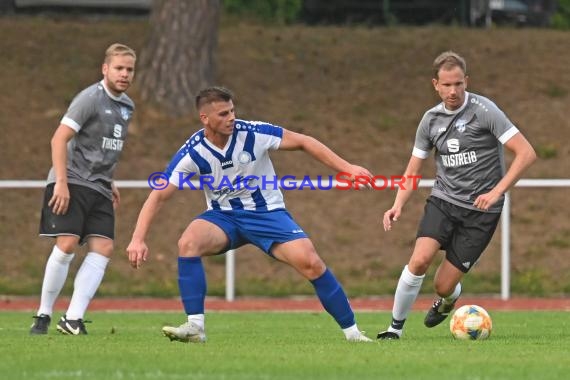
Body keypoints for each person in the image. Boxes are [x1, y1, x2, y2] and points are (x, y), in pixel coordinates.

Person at [126, 86, 373, 343]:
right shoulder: (193, 151)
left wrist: (347, 168)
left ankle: (352, 333)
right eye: (223, 114)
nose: (231, 117)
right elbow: (159, 194)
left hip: (267, 214)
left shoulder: (253, 132)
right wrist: (137, 238)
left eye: (232, 110)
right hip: (224, 218)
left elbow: (303, 141)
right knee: (188, 243)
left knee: (311, 262)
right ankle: (195, 327)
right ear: (205, 119)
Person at [376, 51, 536, 340]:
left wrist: (496, 191)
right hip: (444, 201)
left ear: (467, 82)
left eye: (459, 84)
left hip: (482, 212)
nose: (453, 91)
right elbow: (413, 169)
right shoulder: (430, 120)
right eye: (447, 85)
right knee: (420, 259)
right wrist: (397, 204)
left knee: (443, 285)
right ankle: (393, 329)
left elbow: (526, 153)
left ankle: (448, 300)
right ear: (435, 84)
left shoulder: (485, 111)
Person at [30, 43, 136, 335]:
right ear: (105, 69)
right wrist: (61, 183)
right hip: (72, 180)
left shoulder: (127, 106)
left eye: (129, 69)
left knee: (103, 248)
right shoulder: (89, 98)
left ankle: (73, 319)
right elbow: (58, 139)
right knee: (65, 246)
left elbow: (102, 147)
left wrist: (110, 179)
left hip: (99, 186)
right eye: (119, 68)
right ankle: (43, 314)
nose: (124, 74)